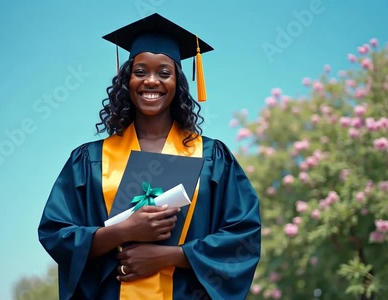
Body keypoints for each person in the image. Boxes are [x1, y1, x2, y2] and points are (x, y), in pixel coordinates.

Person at [38, 13, 261, 300]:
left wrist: (169, 256)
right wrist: (123, 231)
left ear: (177, 81)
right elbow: (57, 234)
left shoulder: (212, 159)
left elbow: (243, 236)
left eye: (164, 72)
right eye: (140, 71)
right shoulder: (89, 161)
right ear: (126, 79)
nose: (151, 81)